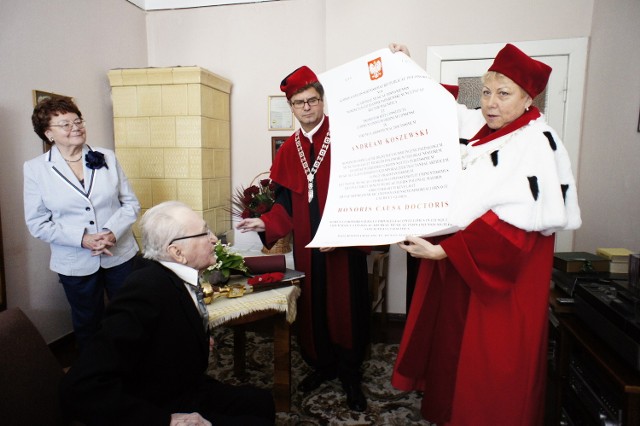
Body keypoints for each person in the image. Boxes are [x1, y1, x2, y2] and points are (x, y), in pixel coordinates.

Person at [388, 43, 581, 425]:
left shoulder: (535, 142)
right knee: (454, 349)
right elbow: (442, 108)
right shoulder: (487, 129)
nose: (491, 103)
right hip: (469, 262)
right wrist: (405, 68)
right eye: (487, 92)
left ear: (529, 98)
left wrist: (447, 252)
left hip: (502, 280)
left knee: (491, 362)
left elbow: (515, 228)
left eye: (504, 94)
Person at [60, 200, 276, 426]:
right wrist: (165, 421)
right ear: (177, 252)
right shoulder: (145, 290)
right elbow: (79, 387)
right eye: (204, 233)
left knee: (261, 402)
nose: (214, 239)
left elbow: (164, 331)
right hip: (156, 406)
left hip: (180, 384)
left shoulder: (171, 275)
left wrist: (194, 340)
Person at [236, 66, 371, 412]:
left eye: (313, 100)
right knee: (314, 306)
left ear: (323, 101)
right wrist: (263, 223)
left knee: (347, 308)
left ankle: (350, 373)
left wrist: (344, 233)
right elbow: (283, 203)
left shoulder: (347, 136)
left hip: (345, 245)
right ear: (292, 108)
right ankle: (323, 365)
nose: (307, 107)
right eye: (299, 103)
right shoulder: (289, 149)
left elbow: (365, 192)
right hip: (309, 248)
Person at [24, 96, 140, 350]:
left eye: (78, 121)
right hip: (74, 261)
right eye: (65, 124)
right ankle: (96, 376)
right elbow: (38, 223)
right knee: (88, 323)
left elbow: (131, 203)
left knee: (131, 314)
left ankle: (135, 366)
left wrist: (111, 232)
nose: (75, 127)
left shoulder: (106, 156)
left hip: (120, 254)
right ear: (48, 134)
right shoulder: (35, 170)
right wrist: (83, 239)